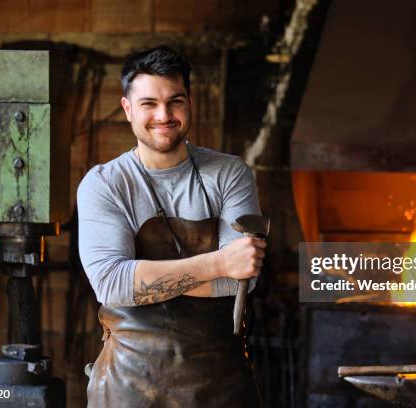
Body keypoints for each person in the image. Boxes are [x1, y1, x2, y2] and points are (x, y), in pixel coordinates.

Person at [77, 45, 266, 407]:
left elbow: (241, 280)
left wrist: (142, 278)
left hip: (221, 387)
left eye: (175, 101)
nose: (164, 115)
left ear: (189, 102)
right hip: (127, 387)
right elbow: (113, 285)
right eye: (149, 103)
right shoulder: (105, 184)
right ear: (127, 108)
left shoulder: (229, 174)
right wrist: (219, 263)